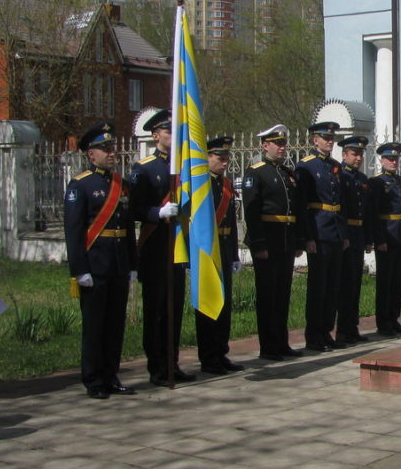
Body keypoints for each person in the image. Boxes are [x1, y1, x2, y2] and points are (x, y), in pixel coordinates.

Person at [64, 122, 138, 399]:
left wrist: (132, 264)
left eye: (112, 148)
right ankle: (93, 379)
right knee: (95, 326)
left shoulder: (122, 184)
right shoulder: (80, 185)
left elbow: (128, 228)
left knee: (114, 325)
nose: (111, 153)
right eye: (104, 149)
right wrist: (79, 270)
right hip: (95, 266)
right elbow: (73, 231)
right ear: (90, 154)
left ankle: (111, 375)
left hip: (118, 264)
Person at [128, 109, 195, 386]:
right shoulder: (144, 168)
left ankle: (172, 363)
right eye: (168, 131)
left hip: (177, 246)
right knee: (156, 311)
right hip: (156, 247)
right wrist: (159, 213)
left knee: (175, 309)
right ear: (155, 136)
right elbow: (135, 209)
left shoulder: (184, 167)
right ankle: (156, 367)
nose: (173, 135)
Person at [242, 124, 303, 361]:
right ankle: (268, 346)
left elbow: (294, 209)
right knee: (268, 295)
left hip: (286, 240)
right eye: (277, 144)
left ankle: (282, 342)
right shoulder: (256, 172)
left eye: (284, 143)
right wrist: (258, 244)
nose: (282, 148)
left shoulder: (288, 173)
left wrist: (297, 240)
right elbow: (252, 212)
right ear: (265, 145)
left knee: (282, 294)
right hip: (267, 239)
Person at [295, 121, 348, 351]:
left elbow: (341, 203)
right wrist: (307, 237)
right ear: (314, 140)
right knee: (318, 286)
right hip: (318, 231)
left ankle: (327, 331)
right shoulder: (306, 167)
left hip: (335, 232)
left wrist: (343, 233)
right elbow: (302, 205)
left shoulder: (336, 167)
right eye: (325, 137)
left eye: (331, 138)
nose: (329, 141)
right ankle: (313, 334)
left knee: (334, 286)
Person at [196, 136, 245, 375]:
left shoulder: (225, 185)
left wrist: (234, 254)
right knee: (209, 306)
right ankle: (208, 357)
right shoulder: (200, 184)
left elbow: (232, 224)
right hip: (207, 251)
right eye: (219, 158)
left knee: (224, 306)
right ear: (207, 158)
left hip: (224, 249)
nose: (224, 163)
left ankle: (221, 353)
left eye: (226, 158)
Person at [369, 142, 401, 336]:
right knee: (385, 283)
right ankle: (383, 322)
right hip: (387, 237)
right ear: (382, 160)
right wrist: (379, 239)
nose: (393, 162)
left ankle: (394, 318)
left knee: (398, 282)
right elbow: (374, 212)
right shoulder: (377, 182)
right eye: (390, 159)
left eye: (396, 159)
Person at [335, 134, 372, 345]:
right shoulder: (339, 175)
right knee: (344, 285)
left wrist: (367, 238)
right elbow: (340, 209)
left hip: (358, 236)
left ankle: (352, 327)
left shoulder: (362, 179)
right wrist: (345, 236)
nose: (358, 158)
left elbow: (365, 212)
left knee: (355, 284)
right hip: (345, 236)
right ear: (344, 154)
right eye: (354, 154)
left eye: (360, 154)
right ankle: (341, 331)